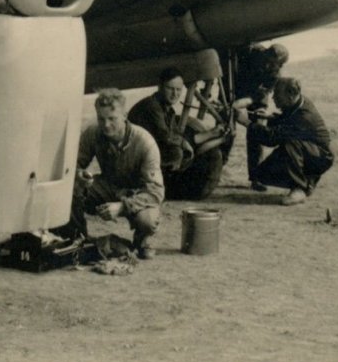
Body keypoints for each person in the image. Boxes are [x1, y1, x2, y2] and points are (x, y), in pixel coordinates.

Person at [52, 89, 164, 259]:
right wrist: (79, 174)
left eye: (112, 119)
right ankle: (77, 239)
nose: (106, 125)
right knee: (71, 188)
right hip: (108, 187)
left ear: (124, 116)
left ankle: (142, 240)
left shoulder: (145, 143)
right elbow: (71, 165)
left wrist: (122, 207)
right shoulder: (94, 133)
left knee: (146, 220)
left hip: (138, 193)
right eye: (101, 119)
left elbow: (155, 192)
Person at [128, 67, 225, 200]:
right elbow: (166, 136)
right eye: (170, 89)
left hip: (150, 158)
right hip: (136, 161)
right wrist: (185, 143)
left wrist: (213, 134)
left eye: (178, 90)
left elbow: (177, 136)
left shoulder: (167, 109)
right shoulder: (152, 107)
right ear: (160, 87)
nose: (175, 94)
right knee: (176, 152)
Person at [235, 76, 334, 206]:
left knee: (291, 144)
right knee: (262, 173)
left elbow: (271, 138)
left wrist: (246, 122)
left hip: (320, 158)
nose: (273, 98)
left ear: (291, 95)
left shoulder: (304, 117)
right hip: (310, 152)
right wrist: (270, 117)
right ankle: (308, 183)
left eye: (277, 94)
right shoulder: (299, 102)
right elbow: (288, 119)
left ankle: (299, 189)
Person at [235, 43, 289, 189]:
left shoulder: (275, 75)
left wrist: (244, 102)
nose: (267, 65)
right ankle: (218, 166)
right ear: (266, 54)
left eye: (273, 64)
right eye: (267, 60)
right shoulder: (252, 53)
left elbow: (261, 94)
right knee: (226, 128)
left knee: (257, 133)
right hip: (236, 88)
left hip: (256, 97)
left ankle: (256, 178)